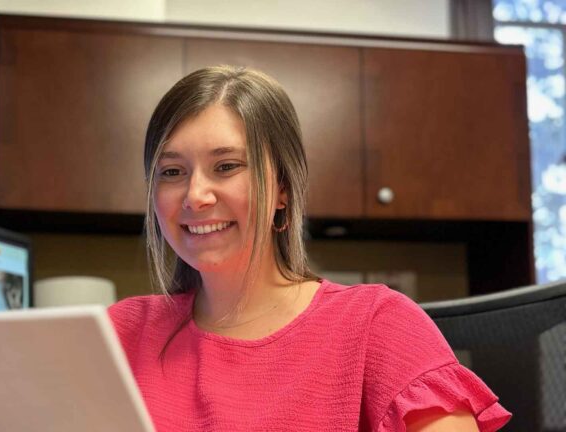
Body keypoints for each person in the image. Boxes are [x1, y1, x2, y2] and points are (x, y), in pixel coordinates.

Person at [108, 65, 511, 431]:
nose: (195, 195)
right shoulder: (119, 334)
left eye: (226, 166)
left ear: (282, 188)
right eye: (172, 172)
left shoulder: (378, 325)